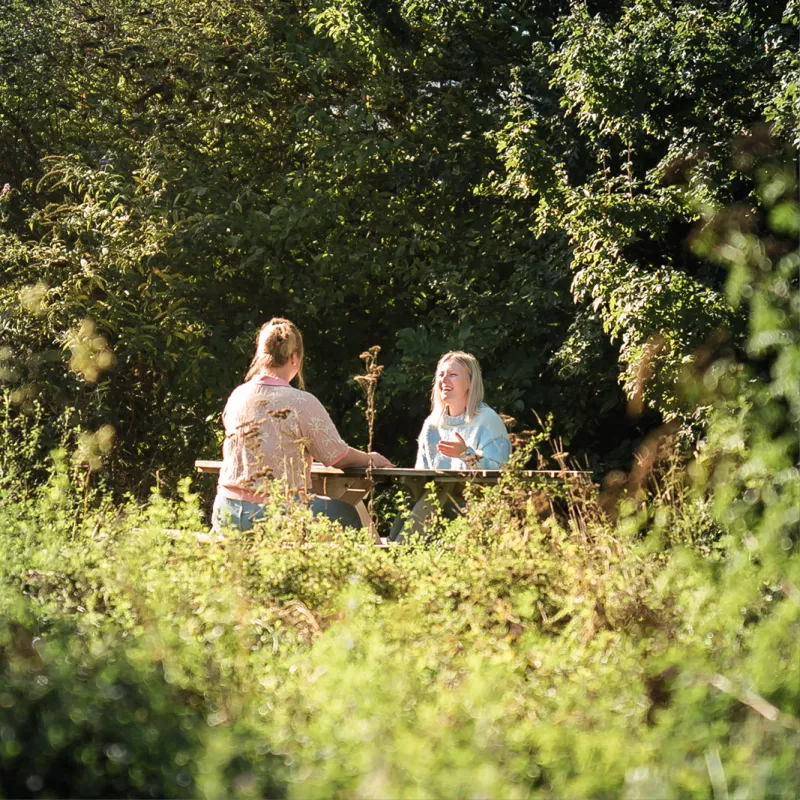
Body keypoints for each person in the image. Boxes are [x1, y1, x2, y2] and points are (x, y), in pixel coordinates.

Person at [212, 317, 393, 531]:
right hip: (279, 512)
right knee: (347, 514)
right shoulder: (301, 402)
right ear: (295, 357)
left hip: (227, 510)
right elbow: (337, 456)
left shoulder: (238, 395)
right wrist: (371, 459)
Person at [389, 351, 511, 542]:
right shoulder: (432, 424)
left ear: (470, 382)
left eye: (452, 374)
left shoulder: (488, 420)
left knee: (431, 500)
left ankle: (397, 552)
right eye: (441, 375)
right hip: (432, 507)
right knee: (410, 499)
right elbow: (421, 474)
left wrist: (466, 454)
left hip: (475, 509)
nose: (444, 380)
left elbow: (500, 474)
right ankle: (393, 549)